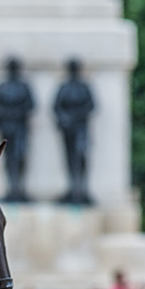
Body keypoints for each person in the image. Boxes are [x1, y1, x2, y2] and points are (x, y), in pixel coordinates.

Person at [0, 57, 35, 201]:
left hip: (20, 128)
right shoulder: (2, 87)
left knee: (20, 157)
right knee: (9, 158)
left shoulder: (24, 86)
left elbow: (30, 104)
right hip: (7, 128)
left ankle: (19, 188)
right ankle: (11, 188)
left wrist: (17, 113)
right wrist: (6, 114)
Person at [54, 58, 95, 205]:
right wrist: (65, 119)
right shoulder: (64, 87)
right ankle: (72, 189)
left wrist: (76, 117)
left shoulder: (84, 87)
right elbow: (57, 106)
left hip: (80, 129)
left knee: (80, 158)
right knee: (70, 159)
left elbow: (91, 105)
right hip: (68, 129)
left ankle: (80, 190)